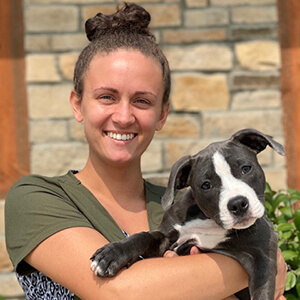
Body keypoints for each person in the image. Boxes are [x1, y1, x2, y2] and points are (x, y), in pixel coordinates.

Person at [5, 3, 287, 300]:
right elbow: (119, 292)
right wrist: (262, 263)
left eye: (142, 101)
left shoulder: (186, 206)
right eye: (106, 97)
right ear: (77, 104)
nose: (124, 116)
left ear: (162, 114)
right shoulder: (36, 198)